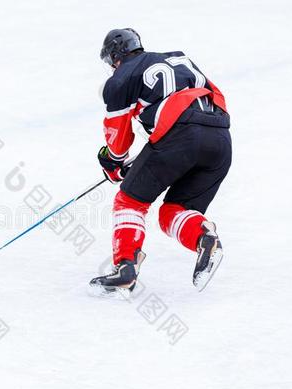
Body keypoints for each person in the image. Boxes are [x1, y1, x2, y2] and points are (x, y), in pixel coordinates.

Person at [89, 28, 232, 295]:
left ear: (114, 57)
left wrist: (113, 161)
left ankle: (125, 268)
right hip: (221, 140)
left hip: (181, 138)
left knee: (130, 201)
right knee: (174, 211)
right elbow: (187, 104)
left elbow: (118, 137)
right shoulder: (179, 59)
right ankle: (205, 238)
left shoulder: (122, 77)